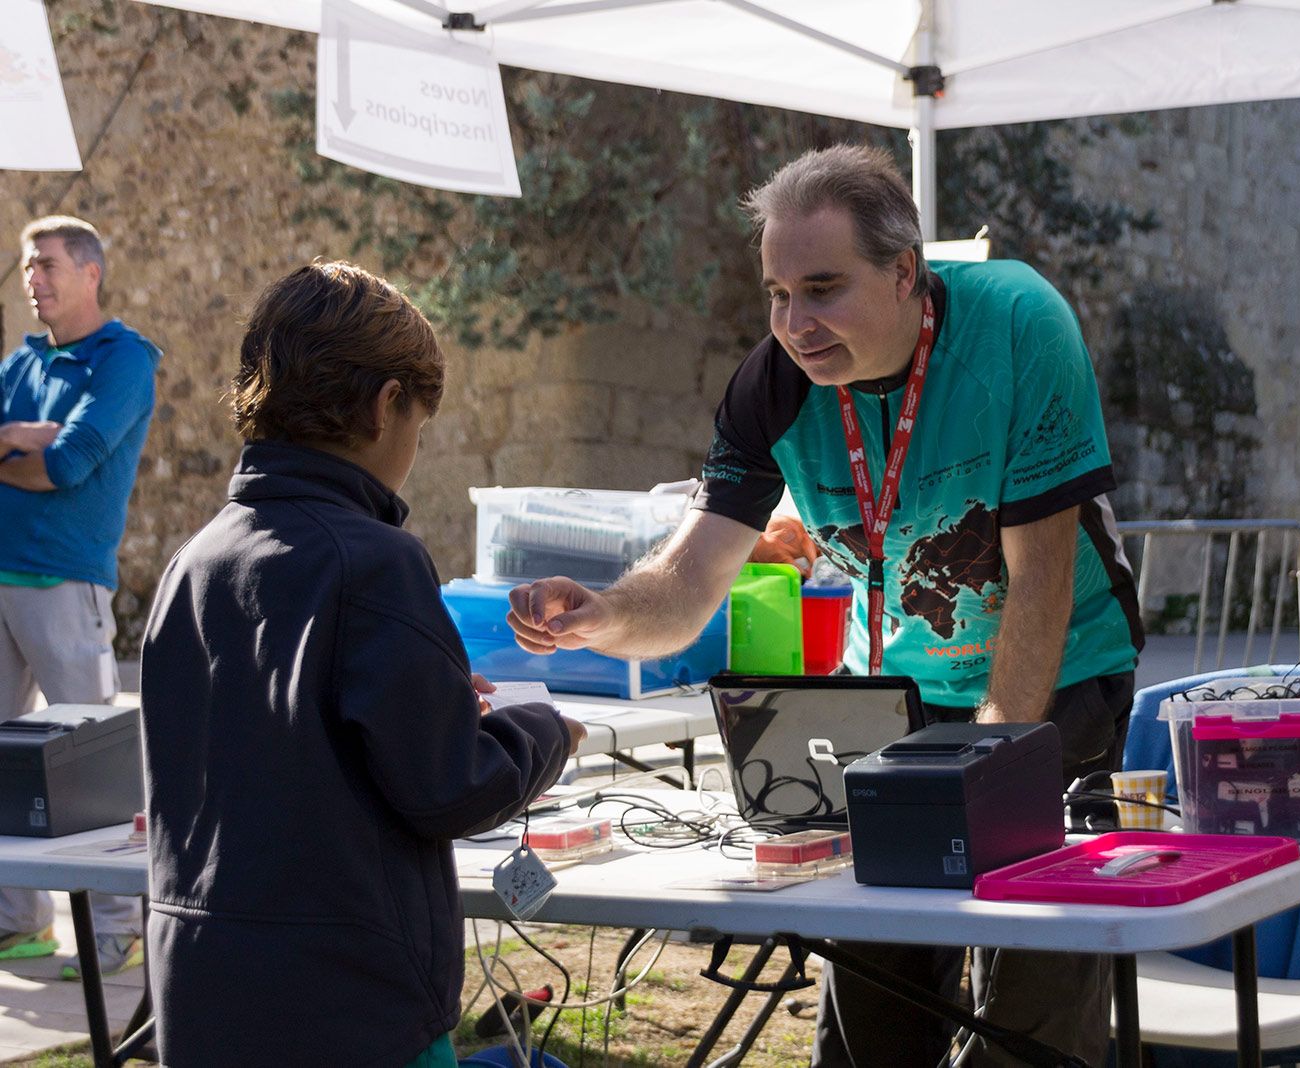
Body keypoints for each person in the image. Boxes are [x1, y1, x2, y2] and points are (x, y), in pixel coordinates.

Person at [507, 144, 1144, 1067]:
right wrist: (599, 613)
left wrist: (992, 759)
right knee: (872, 970)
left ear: (904, 275)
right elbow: (687, 588)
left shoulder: (1018, 325)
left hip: (1058, 677)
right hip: (891, 698)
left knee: (1030, 984)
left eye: (821, 288)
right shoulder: (769, 390)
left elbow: (1039, 575)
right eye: (775, 294)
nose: (794, 323)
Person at [140, 261, 586, 1066]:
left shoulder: (192, 562)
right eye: (419, 426)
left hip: (200, 991)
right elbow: (448, 786)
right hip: (347, 1005)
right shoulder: (374, 561)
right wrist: (545, 731)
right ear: (388, 405)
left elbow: (283, 749)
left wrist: (438, 702)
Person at [0, 215, 159, 980]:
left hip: (67, 582)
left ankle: (115, 932)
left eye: (48, 265)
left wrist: (33, 444)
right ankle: (19, 923)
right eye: (29, 267)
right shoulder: (21, 361)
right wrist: (25, 438)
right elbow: (44, 455)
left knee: (88, 769)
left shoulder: (123, 360)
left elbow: (70, 466)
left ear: (91, 272)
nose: (34, 279)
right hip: (0, 578)